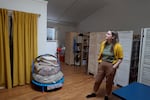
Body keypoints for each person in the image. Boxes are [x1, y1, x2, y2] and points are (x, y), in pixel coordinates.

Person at [86, 31, 123, 100]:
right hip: (102, 64)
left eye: (108, 34)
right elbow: (101, 53)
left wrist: (114, 66)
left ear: (113, 37)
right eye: (107, 33)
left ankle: (107, 95)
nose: (106, 34)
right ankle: (94, 92)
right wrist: (99, 62)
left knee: (109, 82)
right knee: (97, 80)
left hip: (111, 65)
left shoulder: (118, 46)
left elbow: (121, 58)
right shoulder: (103, 43)